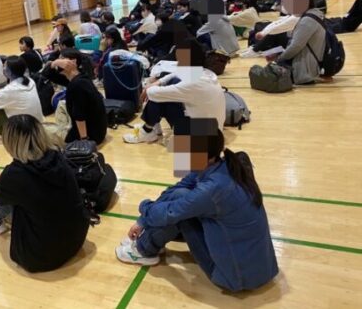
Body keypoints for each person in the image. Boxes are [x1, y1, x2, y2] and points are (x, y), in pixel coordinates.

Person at [115, 121, 279, 292]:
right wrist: (143, 221)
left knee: (178, 211)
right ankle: (148, 238)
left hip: (234, 278)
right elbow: (177, 188)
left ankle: (143, 250)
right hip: (262, 267)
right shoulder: (225, 163)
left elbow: (169, 211)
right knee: (179, 197)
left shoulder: (213, 189)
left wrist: (143, 207)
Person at [0, 115, 90, 273]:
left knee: (9, 199)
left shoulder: (15, 173)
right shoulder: (58, 155)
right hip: (76, 239)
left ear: (10, 142)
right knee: (25, 196)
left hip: (40, 256)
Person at [123, 39, 225, 144]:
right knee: (167, 87)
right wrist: (159, 82)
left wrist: (148, 88)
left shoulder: (193, 83)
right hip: (214, 132)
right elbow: (176, 74)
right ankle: (151, 127)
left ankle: (147, 130)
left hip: (202, 140)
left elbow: (153, 94)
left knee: (159, 97)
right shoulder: (205, 72)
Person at [0, 56, 43, 138]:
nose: (2, 68)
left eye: (4, 66)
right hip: (38, 125)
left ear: (9, 72)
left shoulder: (10, 90)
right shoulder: (30, 81)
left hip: (22, 132)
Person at [49, 49, 107, 144]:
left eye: (62, 59)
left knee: (43, 133)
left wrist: (84, 140)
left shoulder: (77, 85)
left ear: (73, 61)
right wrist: (54, 63)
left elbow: (79, 116)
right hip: (97, 130)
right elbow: (46, 74)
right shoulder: (79, 76)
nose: (59, 62)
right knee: (61, 105)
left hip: (90, 136)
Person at [270, 6, 326, 85]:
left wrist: (279, 59)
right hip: (314, 63)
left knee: (269, 74)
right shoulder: (315, 14)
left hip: (304, 71)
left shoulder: (306, 21)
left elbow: (295, 46)